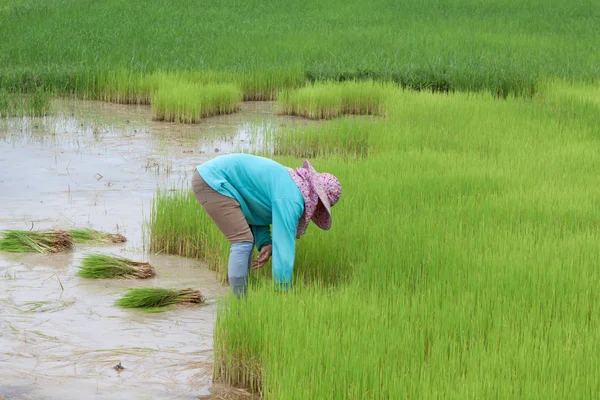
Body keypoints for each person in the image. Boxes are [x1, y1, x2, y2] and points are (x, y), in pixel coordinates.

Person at [192, 153, 342, 296]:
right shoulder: (291, 197)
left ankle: (242, 301)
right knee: (242, 241)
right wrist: (282, 293)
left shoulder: (290, 184)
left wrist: (265, 243)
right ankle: (239, 304)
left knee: (245, 241)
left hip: (210, 176)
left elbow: (255, 210)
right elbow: (284, 247)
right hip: (213, 181)